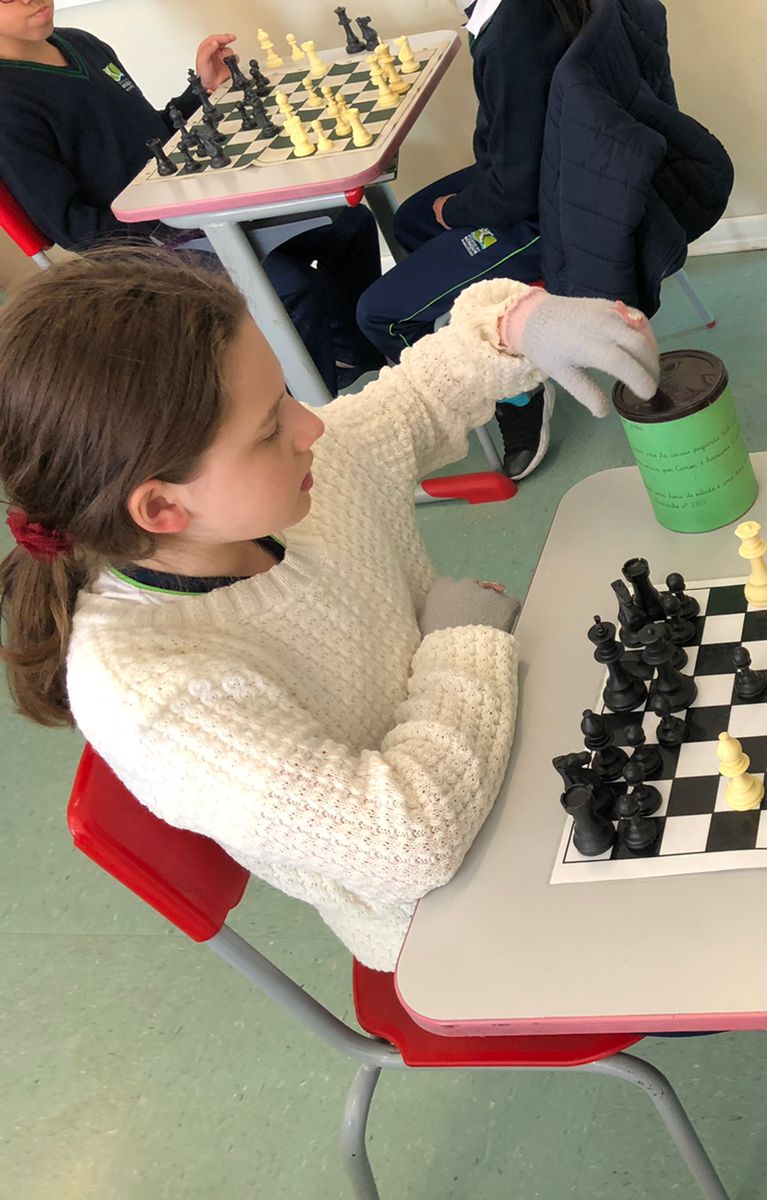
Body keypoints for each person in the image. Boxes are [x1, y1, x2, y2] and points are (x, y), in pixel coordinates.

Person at [0, 249, 658, 971]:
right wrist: (460, 642)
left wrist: (516, 326)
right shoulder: (152, 694)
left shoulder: (286, 491)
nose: (309, 427)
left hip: (514, 750)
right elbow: (412, 842)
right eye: (268, 430)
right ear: (161, 506)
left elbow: (416, 399)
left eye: (285, 395)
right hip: (447, 919)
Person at [0, 4, 383, 392]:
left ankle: (351, 359)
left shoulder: (82, 44)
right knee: (294, 287)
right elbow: (74, 228)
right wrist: (177, 217)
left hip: (195, 211)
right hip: (144, 249)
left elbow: (155, 137)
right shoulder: (7, 103)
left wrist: (201, 90)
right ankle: (297, 416)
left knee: (349, 224)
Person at [355, 0, 587, 480]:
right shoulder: (515, 17)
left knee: (379, 315)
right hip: (562, 170)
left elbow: (514, 192)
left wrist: (458, 211)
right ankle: (499, 333)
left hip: (552, 214)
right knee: (412, 221)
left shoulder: (508, 39)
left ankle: (513, 389)